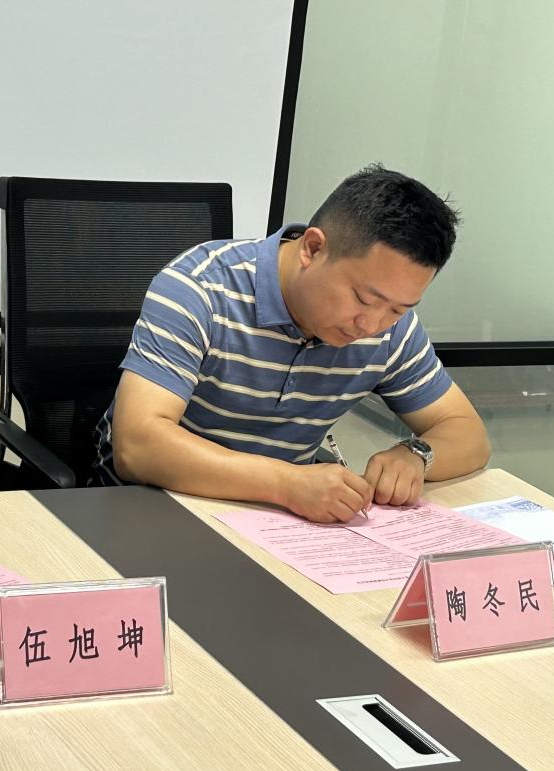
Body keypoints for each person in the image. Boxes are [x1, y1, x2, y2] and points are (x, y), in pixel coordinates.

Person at [93, 163, 490, 522]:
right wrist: (286, 484)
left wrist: (416, 456)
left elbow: (466, 432)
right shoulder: (199, 289)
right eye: (362, 298)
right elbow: (138, 446)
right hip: (149, 511)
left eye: (398, 308)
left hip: (278, 524)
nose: (371, 325)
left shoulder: (391, 329)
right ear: (313, 249)